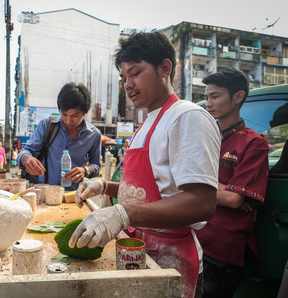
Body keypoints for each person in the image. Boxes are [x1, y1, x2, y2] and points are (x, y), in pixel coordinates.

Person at [69, 31, 221, 298]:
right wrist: (105, 186)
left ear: (165, 68)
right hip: (137, 248)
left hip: (170, 258)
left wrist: (122, 213)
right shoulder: (147, 123)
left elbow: (202, 202)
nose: (128, 84)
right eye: (124, 77)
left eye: (135, 73)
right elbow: (148, 190)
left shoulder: (187, 117)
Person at [196, 68, 269, 298]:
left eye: (215, 96)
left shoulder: (254, 144)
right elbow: (178, 178)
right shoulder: (203, 137)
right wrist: (222, 189)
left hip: (221, 251)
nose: (208, 103)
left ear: (238, 97)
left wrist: (195, 187)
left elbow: (233, 199)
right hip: (192, 238)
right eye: (206, 97)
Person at [17, 82, 102, 191]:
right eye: (64, 114)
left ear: (85, 112)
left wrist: (85, 170)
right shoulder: (46, 126)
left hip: (72, 195)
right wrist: (27, 159)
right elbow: (26, 151)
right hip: (44, 193)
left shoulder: (94, 135)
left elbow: (96, 165)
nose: (68, 120)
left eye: (75, 116)